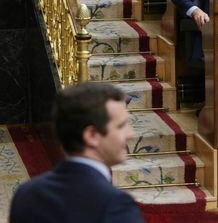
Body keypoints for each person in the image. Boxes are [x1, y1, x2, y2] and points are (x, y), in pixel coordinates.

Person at [9, 83, 143, 223]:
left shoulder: (26, 194)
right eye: (121, 126)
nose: (131, 134)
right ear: (91, 135)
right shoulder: (114, 204)